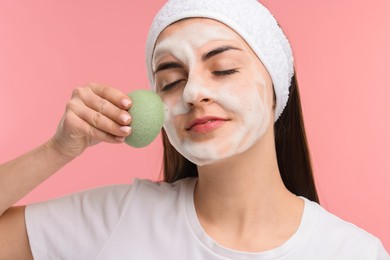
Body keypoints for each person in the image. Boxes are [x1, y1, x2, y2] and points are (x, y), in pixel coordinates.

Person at [0, 0, 389, 259]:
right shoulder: (118, 217)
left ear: (276, 85)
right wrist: (57, 150)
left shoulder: (354, 252)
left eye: (222, 70)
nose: (192, 92)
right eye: (170, 82)